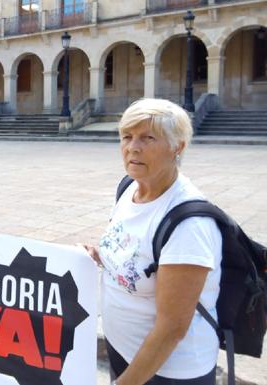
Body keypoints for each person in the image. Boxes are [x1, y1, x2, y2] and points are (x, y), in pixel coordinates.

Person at [81, 98, 222, 385]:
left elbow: (172, 328)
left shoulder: (189, 226)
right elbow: (135, 250)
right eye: (127, 136)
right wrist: (100, 255)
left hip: (167, 371)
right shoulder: (129, 187)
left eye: (148, 138)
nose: (133, 147)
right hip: (124, 350)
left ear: (177, 147)